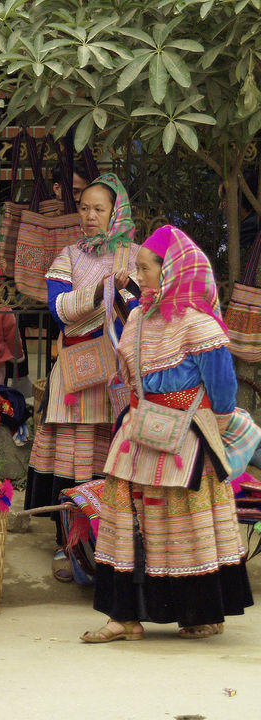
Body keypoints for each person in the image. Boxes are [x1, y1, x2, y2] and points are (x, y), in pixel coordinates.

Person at [83, 225, 254, 642]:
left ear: (171, 269)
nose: (138, 275)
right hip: (137, 433)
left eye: (145, 268)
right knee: (123, 521)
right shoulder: (139, 315)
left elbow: (223, 392)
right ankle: (123, 617)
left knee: (184, 525)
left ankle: (197, 614)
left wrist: (213, 421)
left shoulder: (199, 325)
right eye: (137, 268)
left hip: (186, 439)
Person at [25, 173, 139, 583]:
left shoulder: (135, 258)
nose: (89, 216)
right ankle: (65, 546)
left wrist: (125, 296)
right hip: (74, 376)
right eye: (84, 207)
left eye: (99, 209)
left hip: (117, 379)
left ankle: (107, 545)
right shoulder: (68, 256)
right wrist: (101, 293)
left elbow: (144, 311)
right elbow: (58, 311)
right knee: (68, 462)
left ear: (115, 212)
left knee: (105, 462)